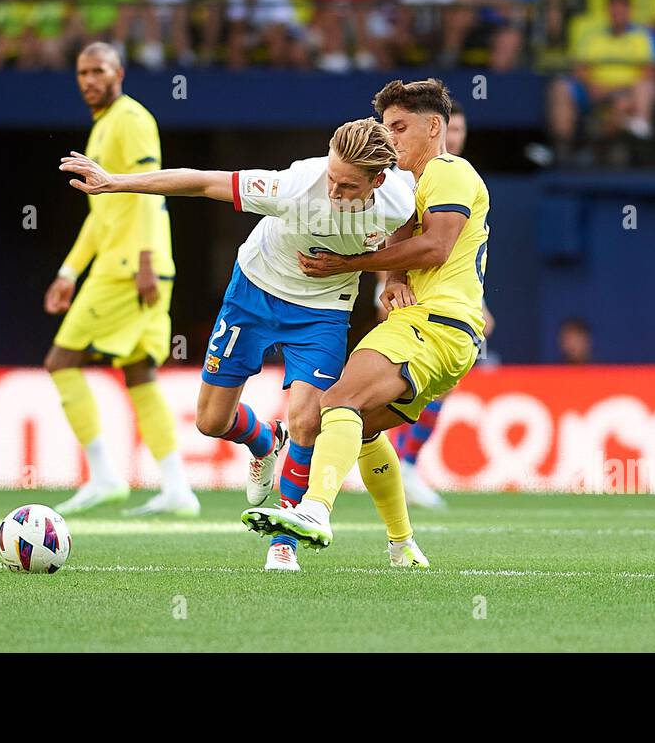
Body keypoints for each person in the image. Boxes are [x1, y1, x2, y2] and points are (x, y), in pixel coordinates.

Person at [60, 117, 418, 572]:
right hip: (253, 292)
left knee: (308, 420)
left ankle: (284, 537)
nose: (333, 191)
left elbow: (408, 229)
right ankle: (264, 442)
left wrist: (393, 276)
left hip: (324, 311)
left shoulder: (398, 196)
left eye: (347, 186)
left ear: (377, 181)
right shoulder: (294, 186)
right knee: (211, 421)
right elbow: (203, 183)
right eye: (331, 177)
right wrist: (116, 182)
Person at [241, 78, 489, 564]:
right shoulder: (413, 186)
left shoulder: (448, 169)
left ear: (433, 126)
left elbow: (436, 246)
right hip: (445, 335)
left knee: (337, 400)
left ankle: (314, 509)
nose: (391, 140)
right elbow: (410, 234)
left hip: (434, 323)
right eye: (386, 128)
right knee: (353, 428)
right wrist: (393, 274)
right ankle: (402, 545)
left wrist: (347, 264)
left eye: (399, 128)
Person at [44, 43, 198, 516]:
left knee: (60, 361)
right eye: (82, 72)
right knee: (139, 373)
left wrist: (146, 259)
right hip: (131, 264)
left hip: (131, 268)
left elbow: (151, 189)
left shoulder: (130, 120)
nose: (89, 79)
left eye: (98, 70)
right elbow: (102, 213)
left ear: (119, 73)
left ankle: (105, 476)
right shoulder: (103, 127)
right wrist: (70, 270)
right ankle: (177, 487)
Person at [381, 101, 496, 510]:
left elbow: (462, 249)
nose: (457, 137)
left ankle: (403, 462)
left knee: (429, 390)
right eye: (454, 129)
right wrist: (388, 280)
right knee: (379, 395)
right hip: (415, 301)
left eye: (463, 131)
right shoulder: (406, 179)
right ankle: (396, 462)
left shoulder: (455, 177)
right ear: (435, 128)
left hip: (449, 300)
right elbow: (411, 240)